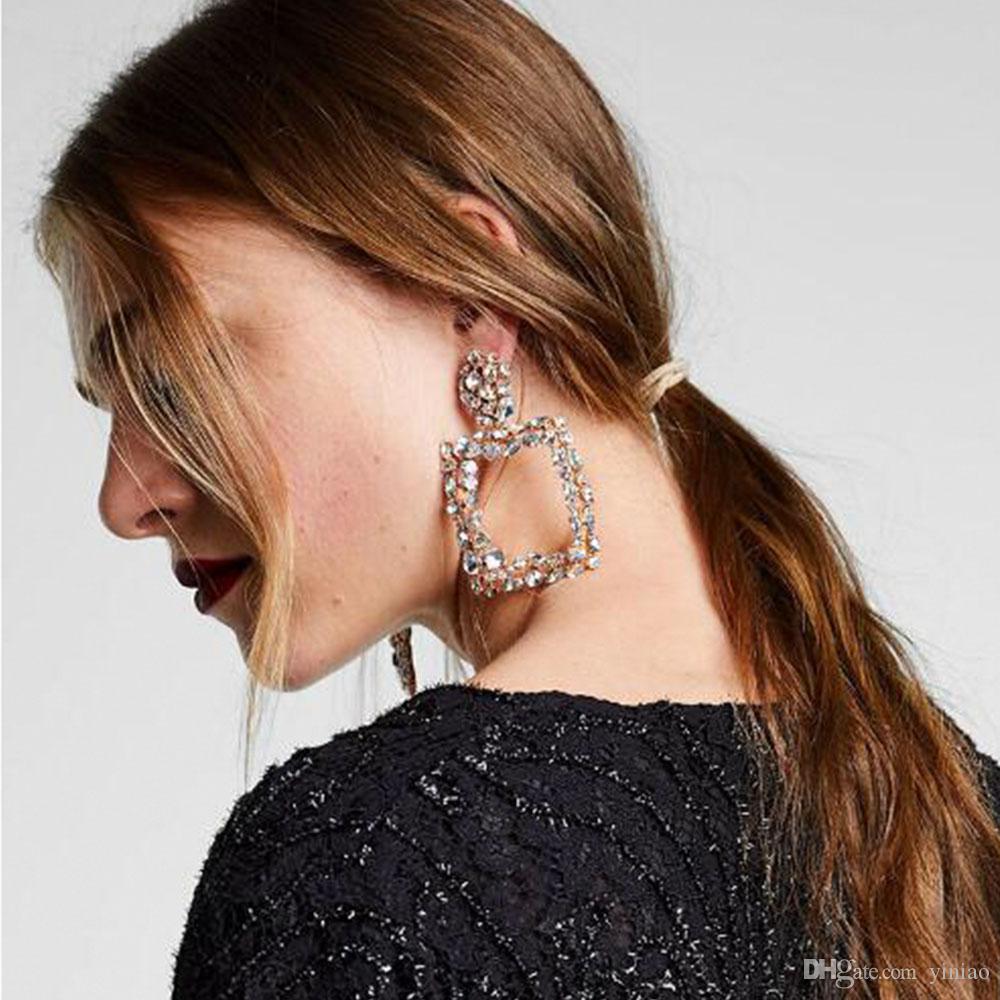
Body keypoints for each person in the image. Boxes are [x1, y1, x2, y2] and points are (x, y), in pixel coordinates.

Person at [33, 0, 1000, 996]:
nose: (122, 500)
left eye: (169, 379)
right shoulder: (955, 822)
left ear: (471, 288)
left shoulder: (381, 865)